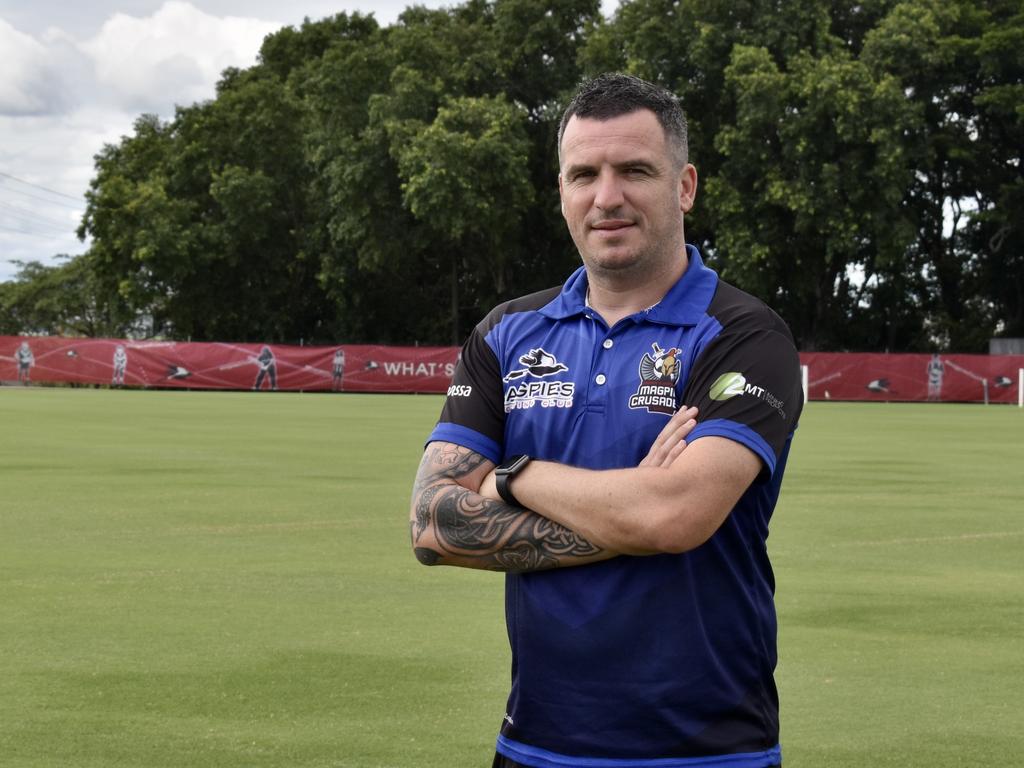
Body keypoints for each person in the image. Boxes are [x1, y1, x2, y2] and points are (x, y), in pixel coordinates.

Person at [410, 73, 803, 768]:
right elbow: (436, 525)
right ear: (561, 190)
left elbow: (672, 517)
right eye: (584, 173)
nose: (607, 196)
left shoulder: (743, 336)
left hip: (708, 750)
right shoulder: (508, 332)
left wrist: (511, 476)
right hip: (535, 744)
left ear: (684, 186)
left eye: (634, 171)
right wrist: (630, 514)